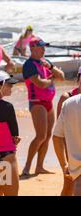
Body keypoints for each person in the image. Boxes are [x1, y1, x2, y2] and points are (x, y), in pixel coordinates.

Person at [21, 37, 65, 178]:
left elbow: (62, 76)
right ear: (33, 48)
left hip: (48, 102)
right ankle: (27, 167)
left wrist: (51, 68)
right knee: (40, 136)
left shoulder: (45, 62)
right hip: (37, 102)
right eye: (41, 47)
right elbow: (40, 83)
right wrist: (52, 78)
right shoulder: (29, 65)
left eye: (44, 47)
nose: (44, 50)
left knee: (47, 136)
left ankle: (39, 167)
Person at [55, 66, 81, 195]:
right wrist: (64, 160)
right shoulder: (67, 97)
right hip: (70, 148)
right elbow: (60, 131)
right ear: (78, 80)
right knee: (68, 185)